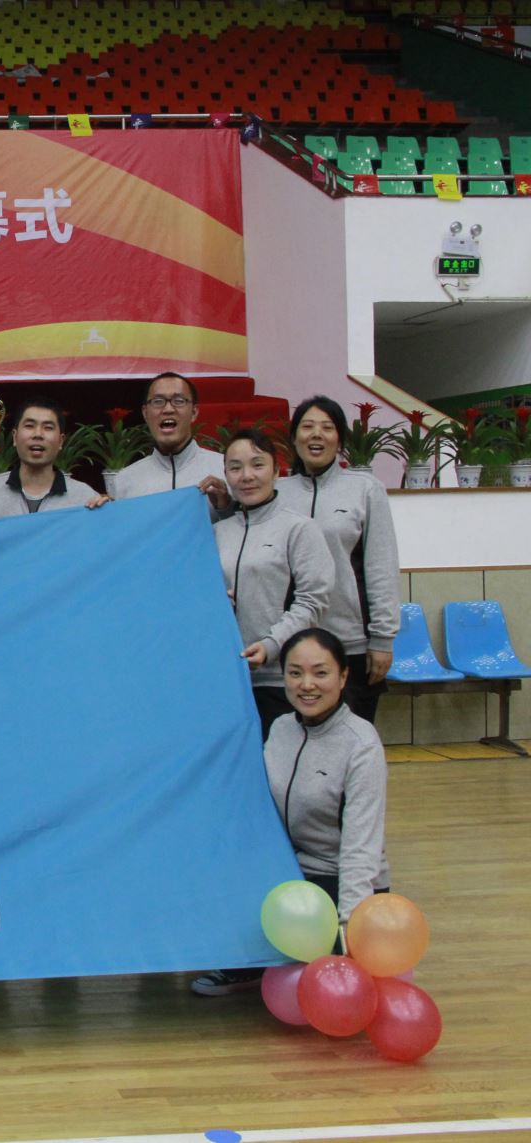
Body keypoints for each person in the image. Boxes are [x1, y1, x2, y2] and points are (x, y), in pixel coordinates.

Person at [191, 628, 390, 996]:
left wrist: (350, 926)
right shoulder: (281, 728)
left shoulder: (361, 744)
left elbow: (361, 848)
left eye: (320, 672)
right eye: (295, 673)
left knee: (325, 979)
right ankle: (247, 964)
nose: (306, 685)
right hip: (285, 870)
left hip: (336, 877)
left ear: (343, 676)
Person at [276, 397, 401, 722]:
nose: (316, 434)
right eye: (307, 427)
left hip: (351, 642)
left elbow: (381, 567)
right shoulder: (276, 492)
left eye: (327, 428)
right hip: (288, 640)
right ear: (294, 438)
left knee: (352, 738)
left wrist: (382, 639)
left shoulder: (365, 489)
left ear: (340, 440)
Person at [213, 430, 335, 735]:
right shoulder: (218, 532)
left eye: (258, 465)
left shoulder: (299, 529)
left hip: (281, 678)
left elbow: (312, 601)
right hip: (228, 680)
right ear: (226, 474)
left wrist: (271, 645)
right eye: (235, 467)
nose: (247, 476)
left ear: (277, 471)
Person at [114, 373, 230, 514]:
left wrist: (225, 507)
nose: (168, 409)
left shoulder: (225, 469)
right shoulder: (125, 480)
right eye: (158, 401)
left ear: (194, 412)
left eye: (179, 401)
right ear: (145, 413)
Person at [0, 398, 107, 518]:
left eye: (48, 427)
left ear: (61, 441)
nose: (38, 434)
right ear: (15, 437)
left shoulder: (84, 497)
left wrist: (107, 512)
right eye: (29, 426)